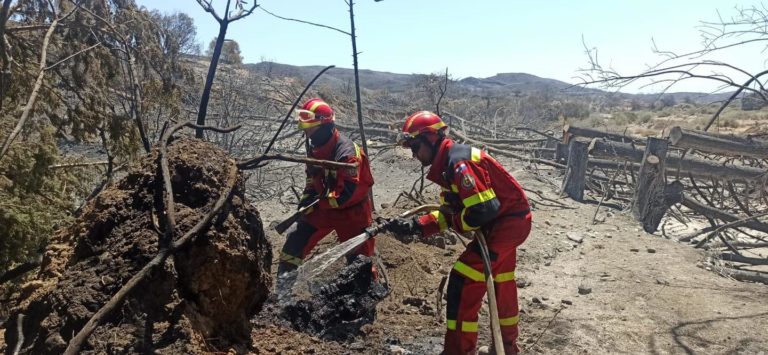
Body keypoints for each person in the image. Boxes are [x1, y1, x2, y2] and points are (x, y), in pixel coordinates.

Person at [387, 111, 531, 354]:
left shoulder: (459, 163)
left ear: (431, 139)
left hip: (505, 225)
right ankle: (506, 348)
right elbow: (449, 212)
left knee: (462, 281)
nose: (413, 153)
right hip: (509, 223)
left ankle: (458, 350)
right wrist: (416, 226)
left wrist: (456, 221)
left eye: (415, 146)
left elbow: (483, 210)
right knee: (502, 283)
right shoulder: (447, 165)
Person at [276, 98, 375, 287]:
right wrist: (305, 203)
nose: (306, 132)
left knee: (360, 264)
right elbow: (311, 181)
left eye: (310, 127)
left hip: (352, 213)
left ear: (323, 125)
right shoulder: (315, 149)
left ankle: (365, 301)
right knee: (295, 240)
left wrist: (319, 204)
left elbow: (346, 194)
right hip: (325, 207)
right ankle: (282, 292)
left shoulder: (347, 153)